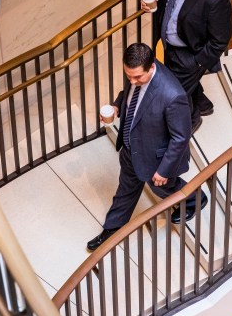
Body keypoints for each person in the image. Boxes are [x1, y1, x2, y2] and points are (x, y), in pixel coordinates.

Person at [87, 43, 208, 252]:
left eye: (137, 78)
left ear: (151, 67)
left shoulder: (172, 95)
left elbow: (180, 137)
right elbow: (128, 93)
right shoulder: (137, 73)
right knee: (126, 189)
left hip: (156, 157)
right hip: (131, 148)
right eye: (129, 76)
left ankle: (195, 198)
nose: (132, 81)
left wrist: (164, 170)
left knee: (162, 187)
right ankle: (112, 228)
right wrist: (117, 106)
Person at [141, 0, 232, 133]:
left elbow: (220, 40)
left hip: (191, 52)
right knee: (178, 80)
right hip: (171, 45)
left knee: (174, 92)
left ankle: (192, 119)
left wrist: (196, 63)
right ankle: (203, 103)